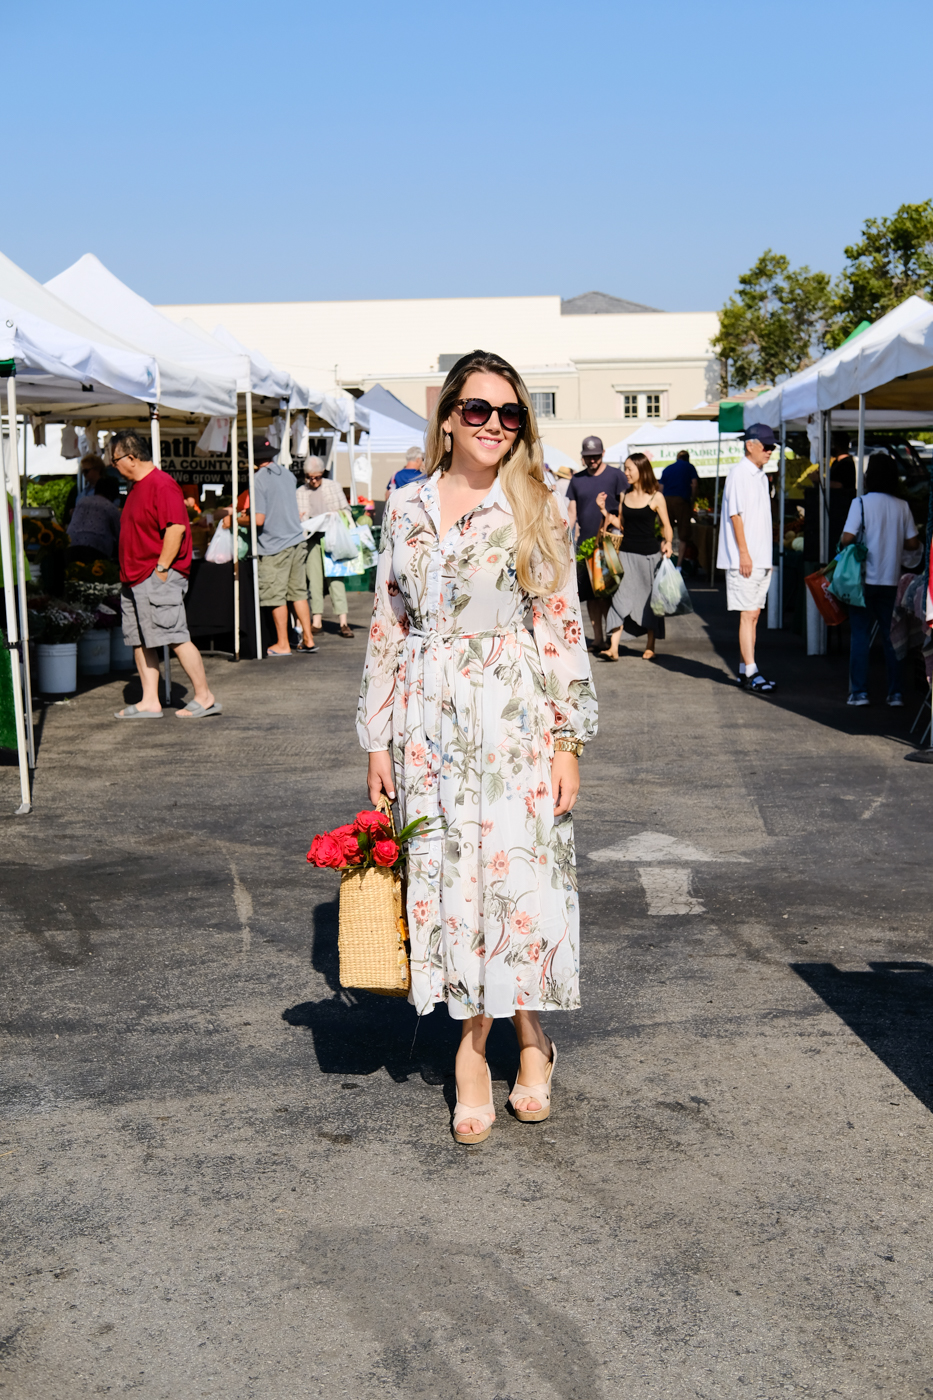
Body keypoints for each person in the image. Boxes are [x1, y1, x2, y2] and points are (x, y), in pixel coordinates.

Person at [359, 349, 597, 1144]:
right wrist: (377, 737)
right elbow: (388, 625)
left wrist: (567, 738)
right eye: (478, 410)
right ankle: (469, 1051)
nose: (494, 425)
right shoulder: (406, 508)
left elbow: (563, 629)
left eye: (509, 413)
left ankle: (532, 1041)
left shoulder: (538, 504)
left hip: (515, 716)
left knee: (519, 883)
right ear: (449, 417)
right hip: (428, 720)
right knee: (451, 882)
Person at [111, 430, 221, 720]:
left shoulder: (162, 485)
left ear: (131, 457)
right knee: (140, 639)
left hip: (154, 574)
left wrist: (161, 569)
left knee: (174, 635)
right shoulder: (137, 487)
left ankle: (204, 696)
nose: (115, 466)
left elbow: (176, 528)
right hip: (134, 576)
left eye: (115, 460)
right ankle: (150, 700)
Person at [841, 454, 920, 707]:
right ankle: (895, 693)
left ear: (868, 476)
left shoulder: (860, 503)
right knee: (893, 636)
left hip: (862, 581)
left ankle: (859, 693)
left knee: (860, 635)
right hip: (892, 580)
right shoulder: (902, 506)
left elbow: (846, 538)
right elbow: (913, 543)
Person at [237, 446, 316, 656]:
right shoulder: (287, 474)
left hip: (274, 545)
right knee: (298, 592)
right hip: (296, 539)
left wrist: (236, 519)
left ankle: (282, 643)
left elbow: (259, 519)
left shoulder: (259, 479)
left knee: (275, 595)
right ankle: (308, 638)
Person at [716, 423, 777, 694]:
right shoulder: (740, 473)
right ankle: (751, 671)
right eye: (766, 446)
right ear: (750, 444)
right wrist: (744, 553)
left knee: (753, 614)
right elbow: (735, 516)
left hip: (759, 557)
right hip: (747, 558)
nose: (770, 451)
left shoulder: (761, 476)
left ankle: (745, 670)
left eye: (773, 447)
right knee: (748, 613)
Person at [598, 453, 674, 661]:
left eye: (630, 468)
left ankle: (650, 644)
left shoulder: (656, 497)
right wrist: (604, 511)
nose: (626, 472)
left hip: (650, 557)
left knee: (649, 602)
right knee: (619, 599)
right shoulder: (624, 495)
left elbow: (667, 526)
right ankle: (614, 648)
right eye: (625, 468)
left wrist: (668, 543)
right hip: (626, 555)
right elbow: (622, 525)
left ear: (642, 470)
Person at [565, 436, 627, 651]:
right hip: (586, 545)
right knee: (591, 595)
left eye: (595, 456)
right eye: (588, 457)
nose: (592, 460)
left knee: (608, 593)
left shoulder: (616, 476)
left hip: (610, 544)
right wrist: (565, 538)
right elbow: (572, 512)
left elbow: (623, 509)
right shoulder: (577, 480)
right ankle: (598, 638)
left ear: (603, 453)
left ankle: (613, 639)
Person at [297, 457, 354, 638]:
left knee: (336, 578)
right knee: (314, 579)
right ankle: (317, 620)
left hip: (333, 537)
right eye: (309, 477)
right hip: (312, 538)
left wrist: (334, 515)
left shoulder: (333, 486)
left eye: (317, 477)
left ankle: (343, 622)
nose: (313, 481)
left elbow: (346, 510)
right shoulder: (300, 491)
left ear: (322, 474)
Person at [66, 477, 122, 562]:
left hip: (71, 544)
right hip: (96, 548)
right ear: (113, 494)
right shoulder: (110, 507)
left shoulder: (82, 501)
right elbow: (120, 534)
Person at [660, 449, 699, 567]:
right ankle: (679, 566)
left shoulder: (667, 469)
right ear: (687, 458)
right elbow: (695, 484)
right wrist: (692, 500)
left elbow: (660, 488)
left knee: (665, 532)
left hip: (666, 501)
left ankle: (664, 562)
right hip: (682, 501)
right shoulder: (689, 467)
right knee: (683, 535)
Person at [64, 454, 106, 524]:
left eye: (86, 471)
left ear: (97, 469)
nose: (84, 474)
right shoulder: (82, 489)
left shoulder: (107, 488)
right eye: (82, 471)